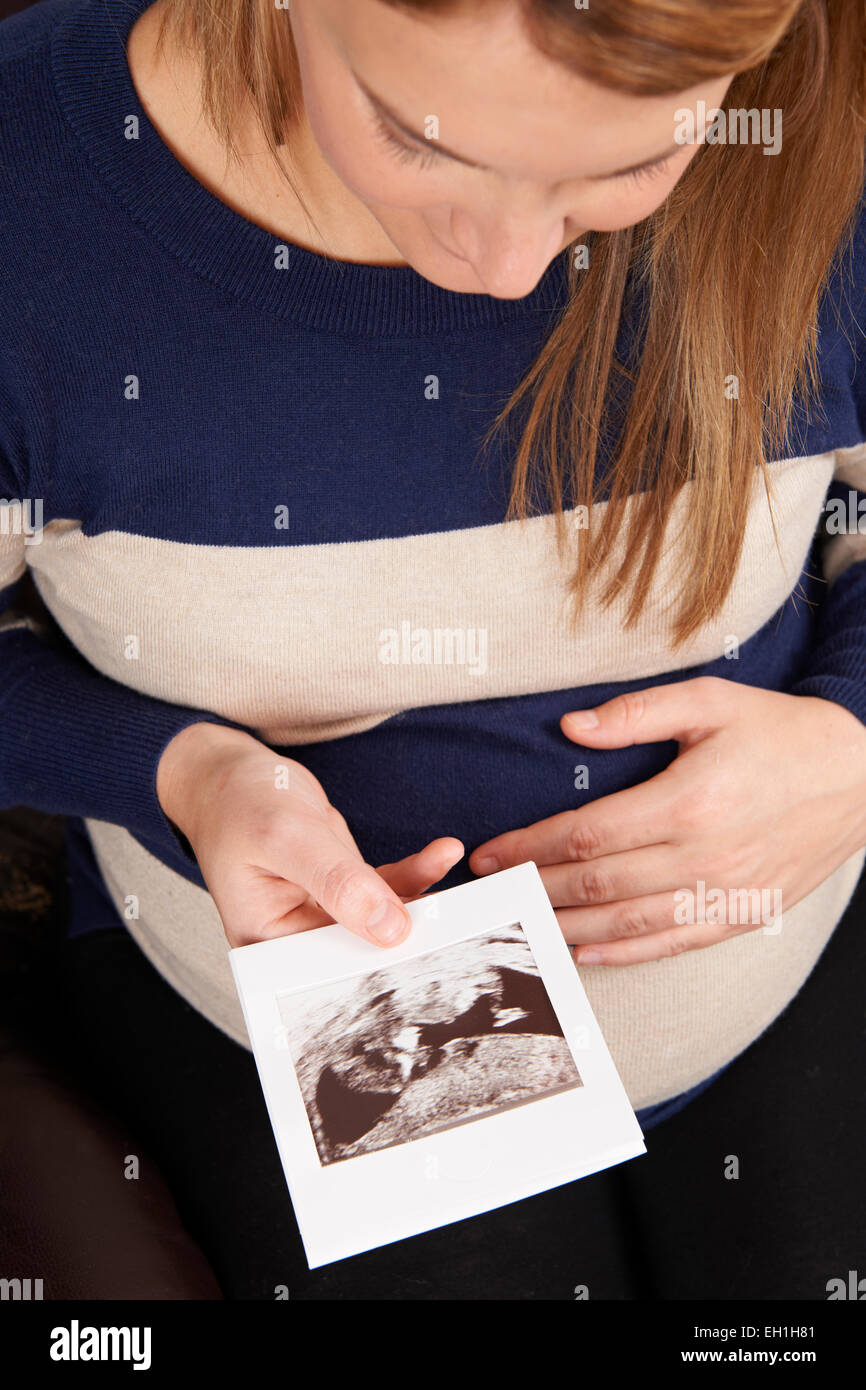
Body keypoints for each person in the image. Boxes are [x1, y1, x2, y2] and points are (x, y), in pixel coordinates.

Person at [0, 0, 864, 1299]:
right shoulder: (31, 196)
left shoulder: (826, 118)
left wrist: (855, 730)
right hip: (331, 1016)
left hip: (803, 937)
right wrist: (177, 774)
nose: (506, 267)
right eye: (419, 138)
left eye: (626, 166)